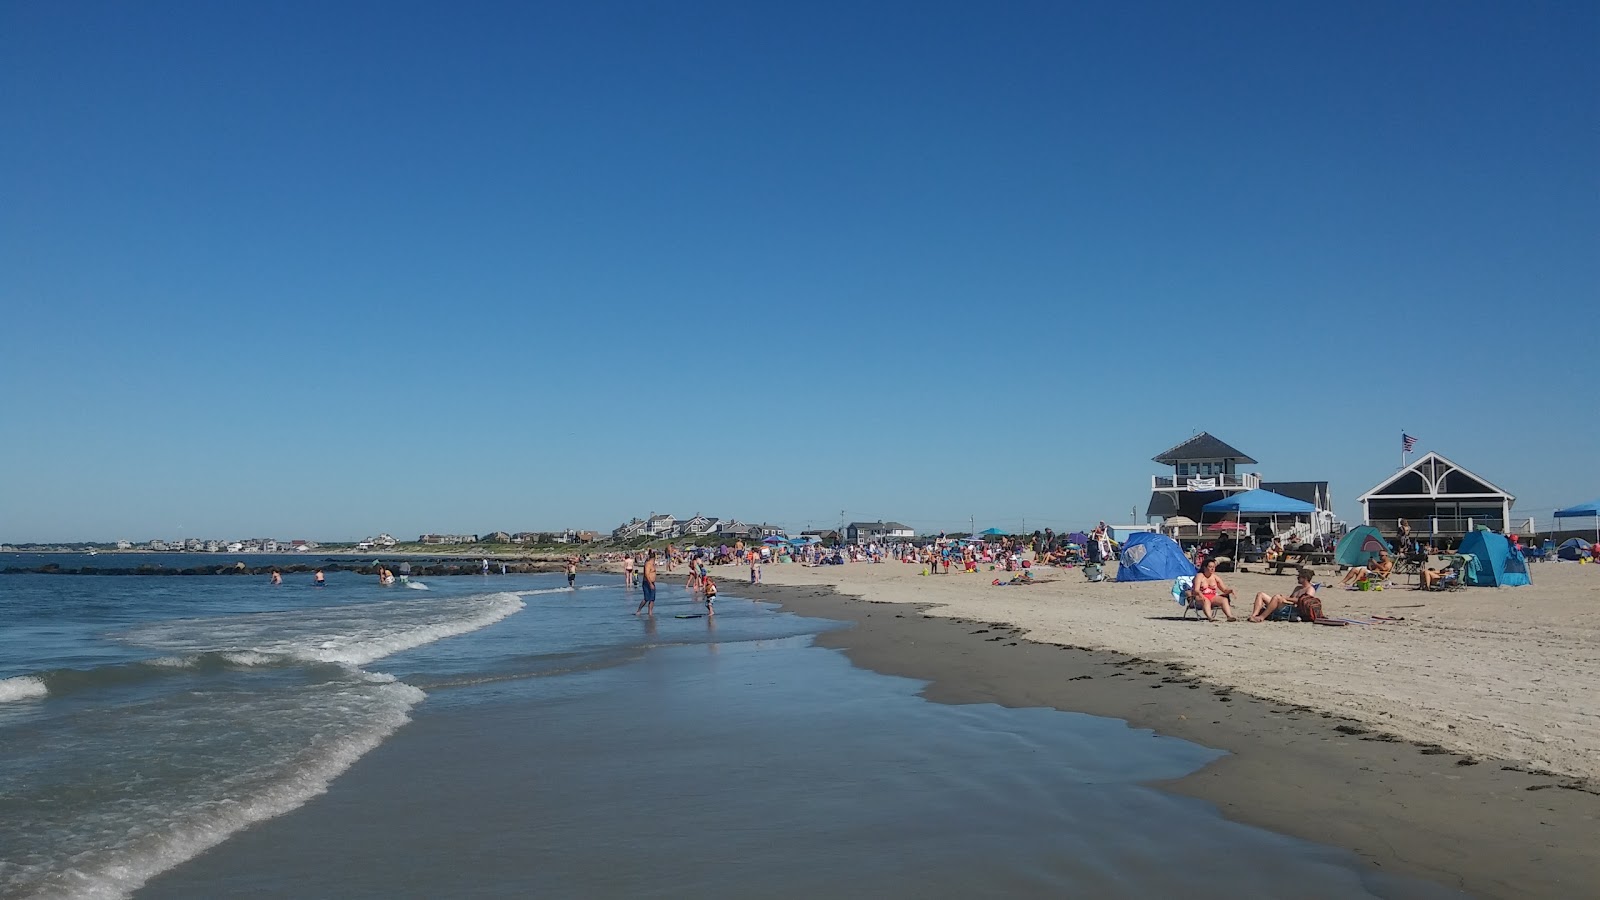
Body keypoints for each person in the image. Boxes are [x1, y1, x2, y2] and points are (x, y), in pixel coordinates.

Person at [1249, 569, 1317, 622]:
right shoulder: (1298, 588)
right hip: (1287, 606)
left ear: (1305, 578)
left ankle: (1261, 617)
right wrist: (1285, 599)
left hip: (1294, 610)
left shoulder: (1310, 589)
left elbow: (1304, 601)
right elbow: (1291, 599)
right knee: (1260, 594)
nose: (1297, 578)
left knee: (1277, 597)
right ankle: (1254, 615)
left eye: (1299, 577)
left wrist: (1285, 598)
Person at [634, 550, 658, 615]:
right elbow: (646, 574)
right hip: (647, 583)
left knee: (652, 599)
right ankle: (639, 610)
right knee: (646, 598)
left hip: (652, 583)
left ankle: (650, 612)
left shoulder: (653, 564)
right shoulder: (648, 564)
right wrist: (650, 583)